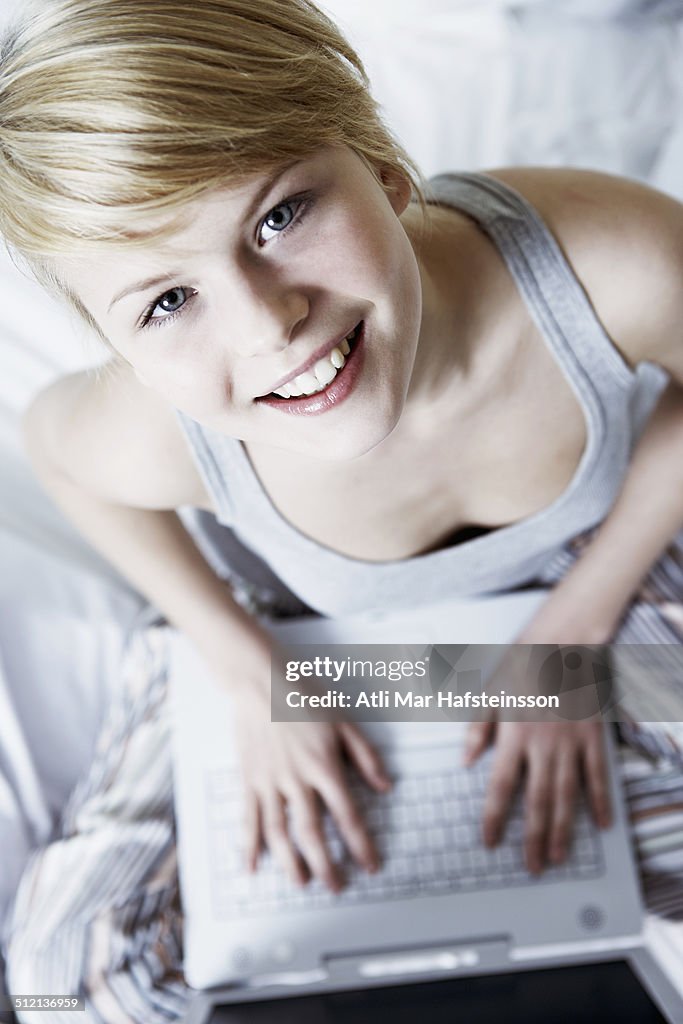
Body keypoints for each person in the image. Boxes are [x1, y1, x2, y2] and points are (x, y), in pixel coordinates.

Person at [1, 0, 682, 1018]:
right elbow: (60, 458)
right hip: (294, 632)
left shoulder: (606, 267)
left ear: (383, 164)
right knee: (68, 970)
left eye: (280, 216)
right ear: (122, 347)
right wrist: (243, 664)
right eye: (166, 302)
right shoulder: (159, 431)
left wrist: (574, 638)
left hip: (582, 574)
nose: (270, 325)